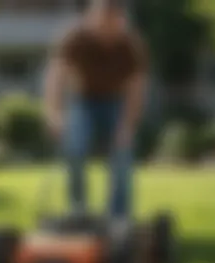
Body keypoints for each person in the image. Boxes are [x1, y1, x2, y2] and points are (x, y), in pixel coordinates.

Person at [44, 0, 148, 227]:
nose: (106, 28)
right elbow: (56, 76)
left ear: (120, 21)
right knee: (74, 146)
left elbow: (136, 90)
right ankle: (78, 210)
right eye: (100, 21)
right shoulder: (75, 38)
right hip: (83, 101)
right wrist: (54, 114)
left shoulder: (129, 44)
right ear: (91, 18)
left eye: (112, 22)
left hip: (116, 102)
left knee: (122, 153)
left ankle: (119, 218)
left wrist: (127, 127)